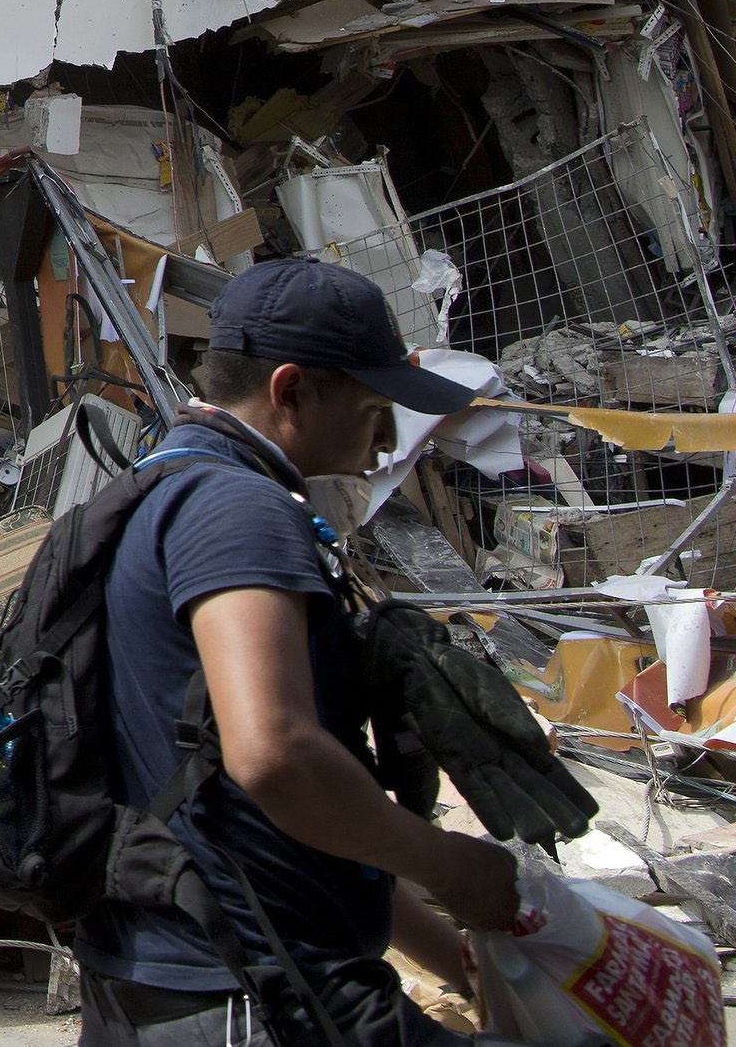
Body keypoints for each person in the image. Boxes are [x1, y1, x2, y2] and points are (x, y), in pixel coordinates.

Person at [81, 256, 523, 1047]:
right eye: (374, 408)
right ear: (290, 391)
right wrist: (453, 868)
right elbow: (275, 757)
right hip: (252, 997)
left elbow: (283, 824)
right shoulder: (237, 512)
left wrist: (460, 963)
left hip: (184, 985)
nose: (386, 439)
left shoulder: (163, 488)